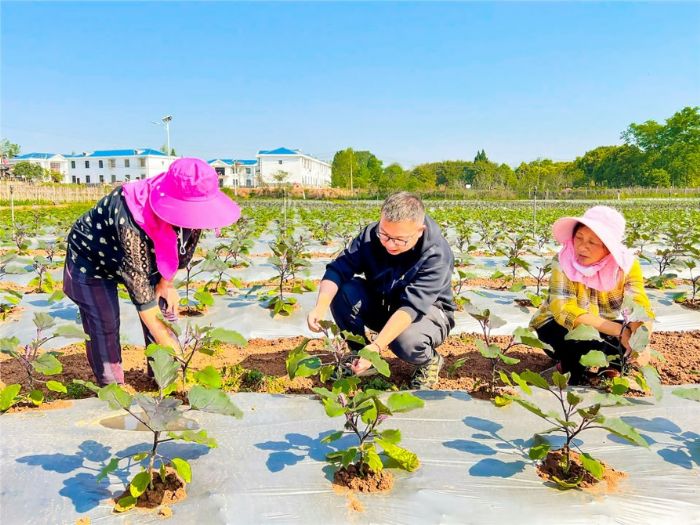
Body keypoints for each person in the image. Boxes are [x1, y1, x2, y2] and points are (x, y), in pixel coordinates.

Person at [63, 158, 240, 386]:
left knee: (165, 309)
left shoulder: (192, 217)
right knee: (104, 323)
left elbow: (181, 252)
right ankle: (112, 388)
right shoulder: (129, 215)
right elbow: (143, 299)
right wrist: (173, 348)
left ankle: (165, 381)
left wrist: (166, 284)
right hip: (92, 257)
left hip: (145, 253)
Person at [307, 192, 455, 389]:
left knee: (405, 340)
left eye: (399, 240)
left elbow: (411, 307)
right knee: (344, 290)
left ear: (420, 231)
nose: (389, 244)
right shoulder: (371, 235)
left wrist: (377, 346)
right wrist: (320, 307)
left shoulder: (436, 254)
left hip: (427, 313)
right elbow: (338, 269)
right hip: (385, 302)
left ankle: (428, 361)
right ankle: (359, 356)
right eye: (384, 235)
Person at [530, 205, 655, 383]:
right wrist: (620, 331)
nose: (582, 246)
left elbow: (638, 304)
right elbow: (563, 310)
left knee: (624, 347)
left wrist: (641, 340)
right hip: (556, 325)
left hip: (601, 325)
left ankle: (610, 372)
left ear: (608, 249)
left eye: (592, 242)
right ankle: (566, 369)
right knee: (584, 343)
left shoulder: (626, 266)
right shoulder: (564, 260)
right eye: (579, 237)